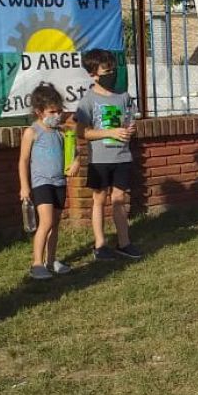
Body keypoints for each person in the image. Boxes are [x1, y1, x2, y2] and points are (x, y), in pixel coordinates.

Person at [75, 49, 142, 261]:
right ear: (93, 74)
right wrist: (109, 132)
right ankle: (100, 244)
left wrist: (130, 129)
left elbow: (130, 121)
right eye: (106, 70)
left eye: (113, 69)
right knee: (100, 199)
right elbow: (82, 132)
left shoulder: (123, 96)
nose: (111, 73)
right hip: (100, 160)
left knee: (120, 198)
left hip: (122, 156)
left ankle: (124, 242)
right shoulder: (88, 100)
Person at [18, 83, 80, 279]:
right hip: (41, 183)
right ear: (39, 112)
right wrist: (24, 186)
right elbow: (23, 160)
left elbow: (75, 154)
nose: (57, 115)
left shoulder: (62, 133)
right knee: (45, 221)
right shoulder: (32, 132)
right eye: (52, 111)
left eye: (59, 111)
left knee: (55, 223)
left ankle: (51, 260)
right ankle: (37, 263)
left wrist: (77, 162)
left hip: (59, 182)